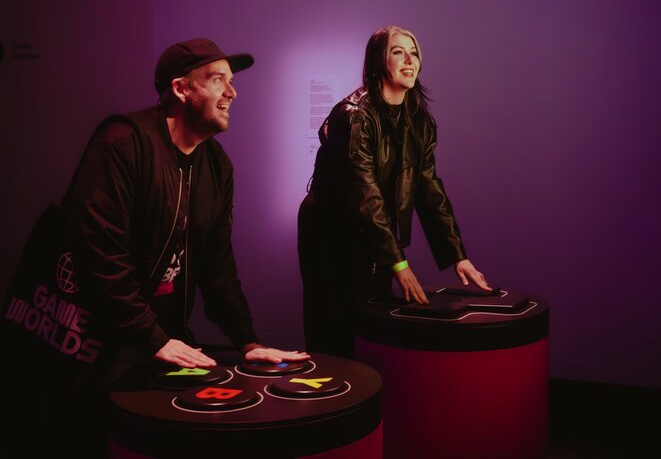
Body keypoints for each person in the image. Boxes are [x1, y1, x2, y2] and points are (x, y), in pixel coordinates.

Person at [67, 37, 309, 383]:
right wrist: (153, 337)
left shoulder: (216, 163)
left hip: (165, 339)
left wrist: (247, 341)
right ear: (181, 89)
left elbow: (217, 263)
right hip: (98, 340)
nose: (232, 93)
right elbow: (100, 254)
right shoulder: (123, 143)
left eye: (232, 81)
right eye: (217, 80)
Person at [298, 25, 491, 358]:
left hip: (373, 228)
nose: (409, 59)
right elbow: (365, 194)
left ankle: (367, 398)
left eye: (413, 52)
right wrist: (399, 264)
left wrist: (456, 253)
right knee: (334, 322)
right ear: (378, 61)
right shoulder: (353, 116)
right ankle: (331, 397)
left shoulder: (419, 121)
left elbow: (428, 188)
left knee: (372, 316)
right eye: (398, 51)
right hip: (331, 231)